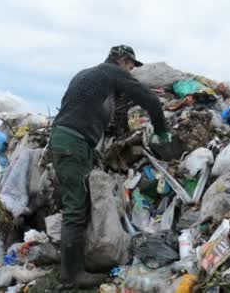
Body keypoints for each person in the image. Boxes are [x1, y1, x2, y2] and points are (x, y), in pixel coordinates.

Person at [50, 45, 170, 288]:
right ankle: (71, 276)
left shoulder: (85, 75)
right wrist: (162, 132)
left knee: (77, 203)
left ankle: (74, 266)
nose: (130, 71)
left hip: (65, 140)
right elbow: (151, 100)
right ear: (122, 60)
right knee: (75, 208)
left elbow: (81, 109)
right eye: (130, 66)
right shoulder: (112, 73)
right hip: (73, 144)